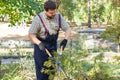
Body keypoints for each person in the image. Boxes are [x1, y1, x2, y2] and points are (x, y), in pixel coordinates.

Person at [28, 0, 71, 80]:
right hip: (40, 48)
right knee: (42, 74)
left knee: (51, 72)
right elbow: (31, 35)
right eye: (51, 13)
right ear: (45, 11)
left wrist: (65, 40)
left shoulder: (58, 17)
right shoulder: (38, 19)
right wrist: (39, 44)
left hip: (53, 47)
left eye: (54, 12)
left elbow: (68, 29)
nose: (53, 14)